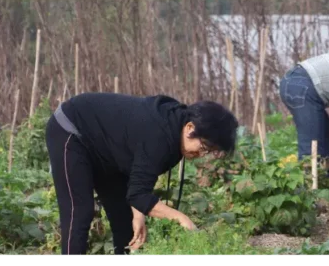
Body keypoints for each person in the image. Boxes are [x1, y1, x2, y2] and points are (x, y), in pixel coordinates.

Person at [45, 93, 238, 256]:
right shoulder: (160, 135)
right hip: (71, 129)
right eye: (203, 146)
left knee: (124, 219)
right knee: (79, 211)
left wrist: (138, 214)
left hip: (106, 151)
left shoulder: (175, 131)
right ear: (190, 128)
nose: (201, 154)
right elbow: (139, 194)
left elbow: (137, 174)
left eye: (209, 151)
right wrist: (181, 218)